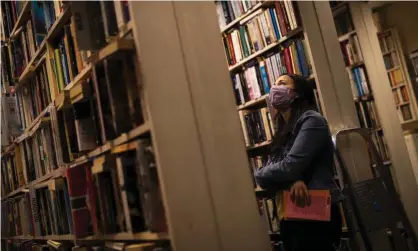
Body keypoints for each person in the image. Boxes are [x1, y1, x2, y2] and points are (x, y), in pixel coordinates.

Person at [254, 74, 343, 251]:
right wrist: (292, 180)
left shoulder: (312, 120)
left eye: (282, 83)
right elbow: (271, 174)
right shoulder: (282, 131)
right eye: (274, 84)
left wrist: (259, 172)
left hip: (314, 213)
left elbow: (289, 166)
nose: (274, 88)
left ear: (297, 93)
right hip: (290, 212)